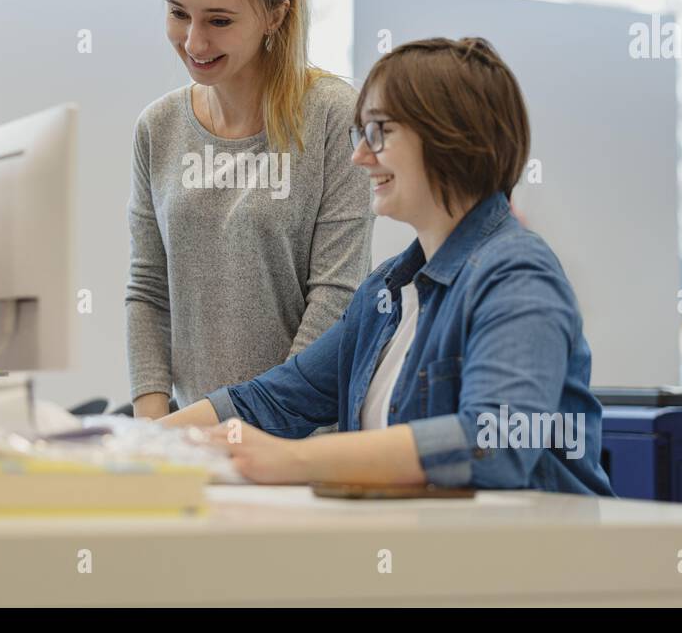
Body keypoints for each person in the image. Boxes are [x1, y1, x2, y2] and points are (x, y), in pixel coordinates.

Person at [160, 36, 615, 496]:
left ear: (450, 135)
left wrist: (291, 459)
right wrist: (137, 443)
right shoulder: (386, 293)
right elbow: (272, 401)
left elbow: (493, 441)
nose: (359, 155)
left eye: (379, 131)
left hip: (536, 560)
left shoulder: (518, 276)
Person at [127, 0, 373, 419]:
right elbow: (149, 290)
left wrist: (255, 425)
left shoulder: (332, 115)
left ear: (275, 16)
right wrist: (152, 434)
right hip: (192, 438)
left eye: (219, 21)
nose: (193, 42)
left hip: (301, 437)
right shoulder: (159, 128)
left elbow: (336, 297)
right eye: (178, 14)